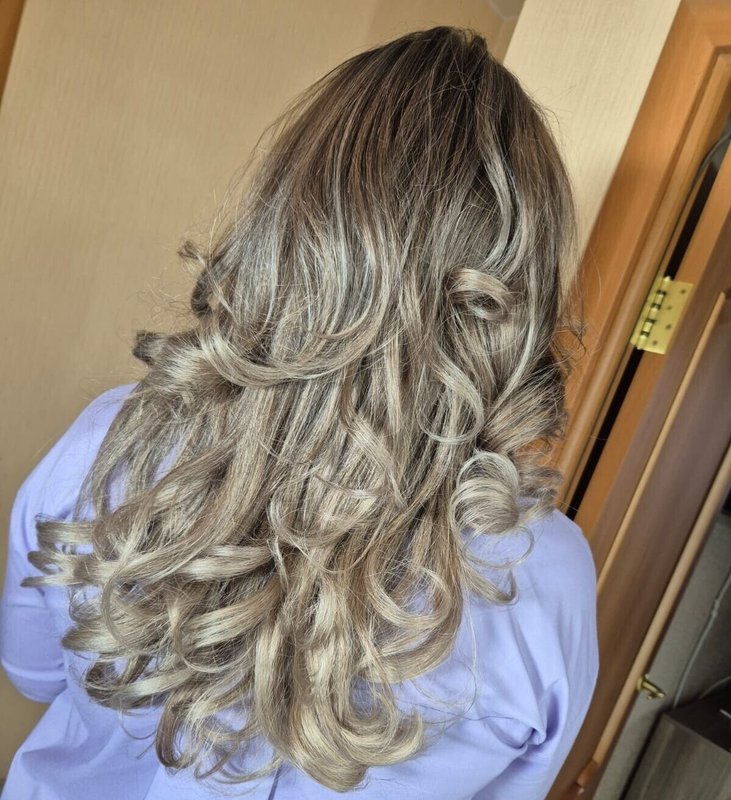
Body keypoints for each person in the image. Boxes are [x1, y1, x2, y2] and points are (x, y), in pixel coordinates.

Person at [0, 25, 598, 800]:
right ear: (516, 291)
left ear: (282, 224)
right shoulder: (541, 581)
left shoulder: (109, 444)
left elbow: (35, 671)